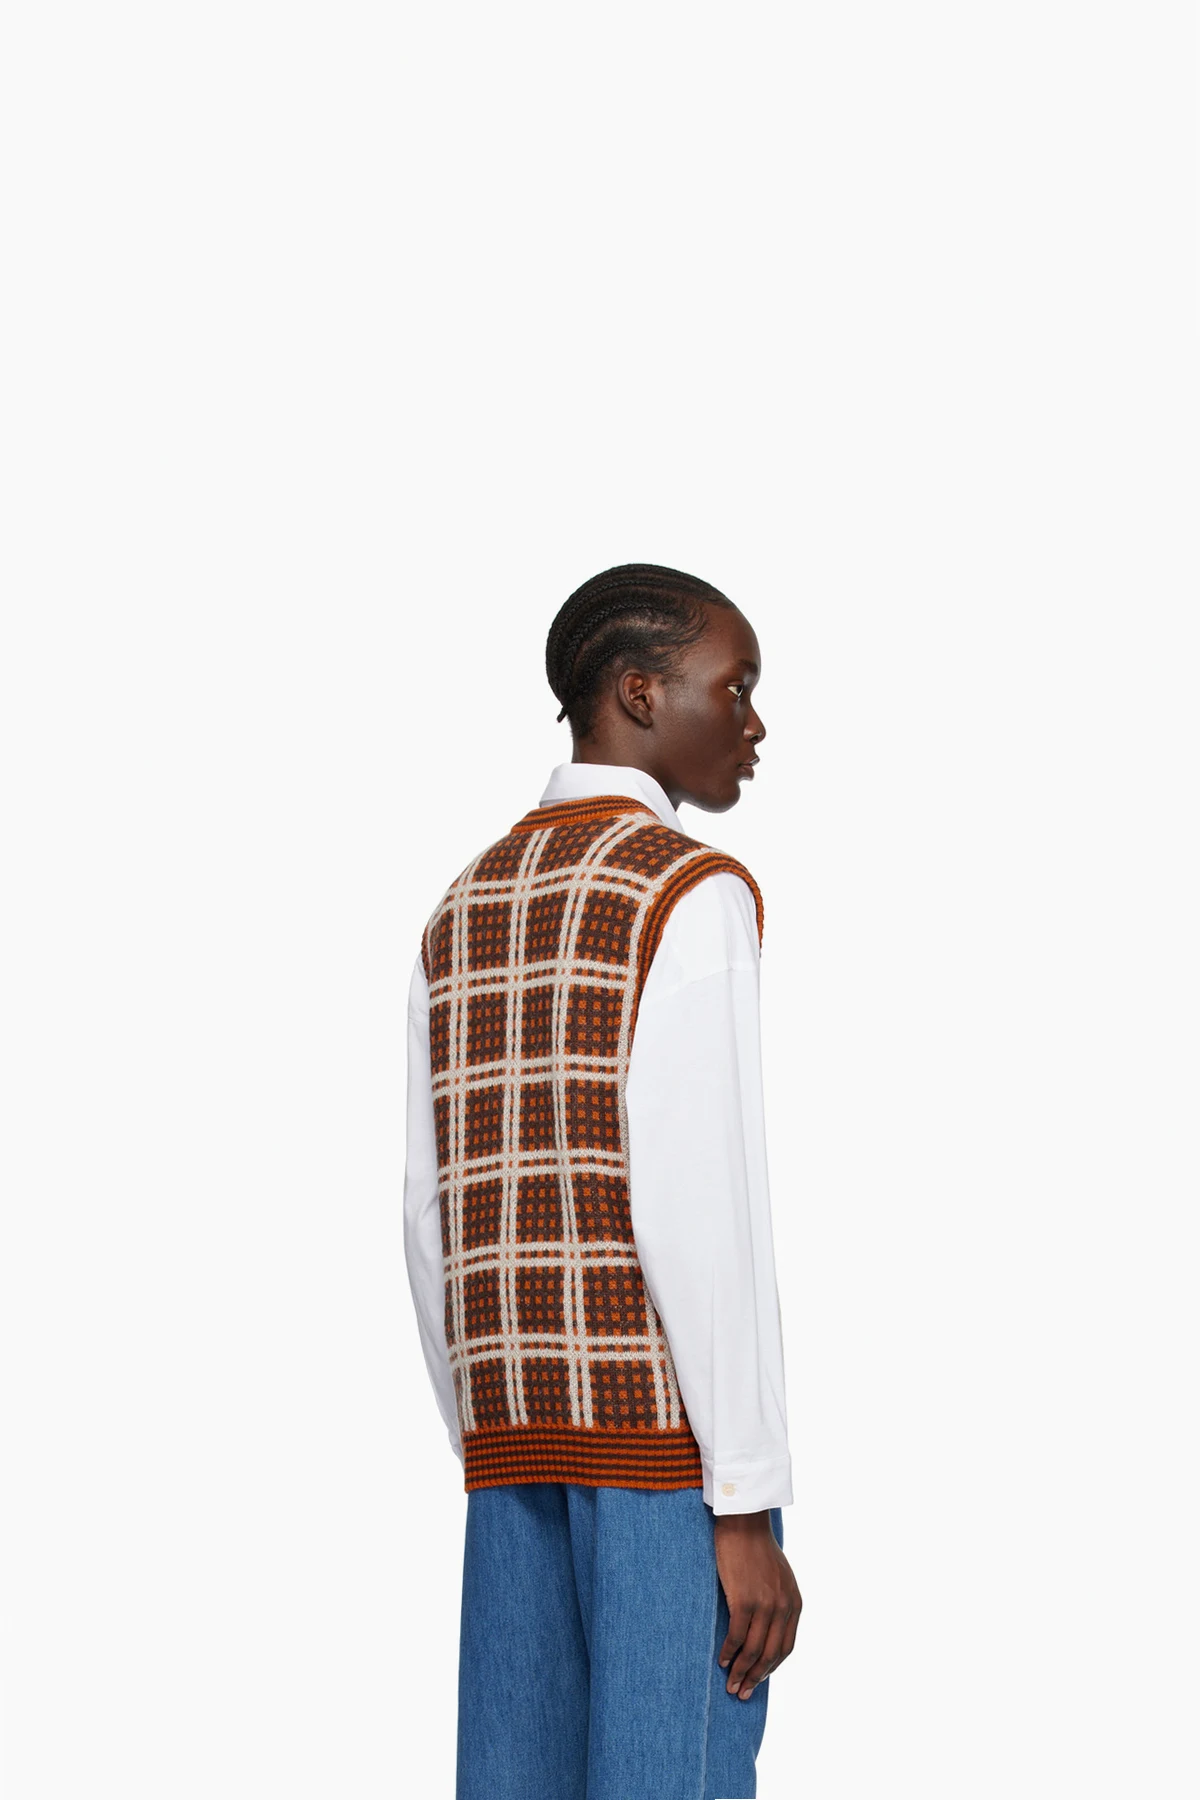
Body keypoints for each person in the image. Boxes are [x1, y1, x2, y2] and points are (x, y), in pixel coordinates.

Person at [403, 563, 802, 1800]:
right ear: (637, 691)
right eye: (732, 687)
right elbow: (703, 1211)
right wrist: (745, 1502)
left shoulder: (462, 905)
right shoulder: (685, 891)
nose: (754, 723)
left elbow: (428, 1217)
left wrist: (486, 1429)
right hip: (661, 1463)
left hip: (511, 1449)